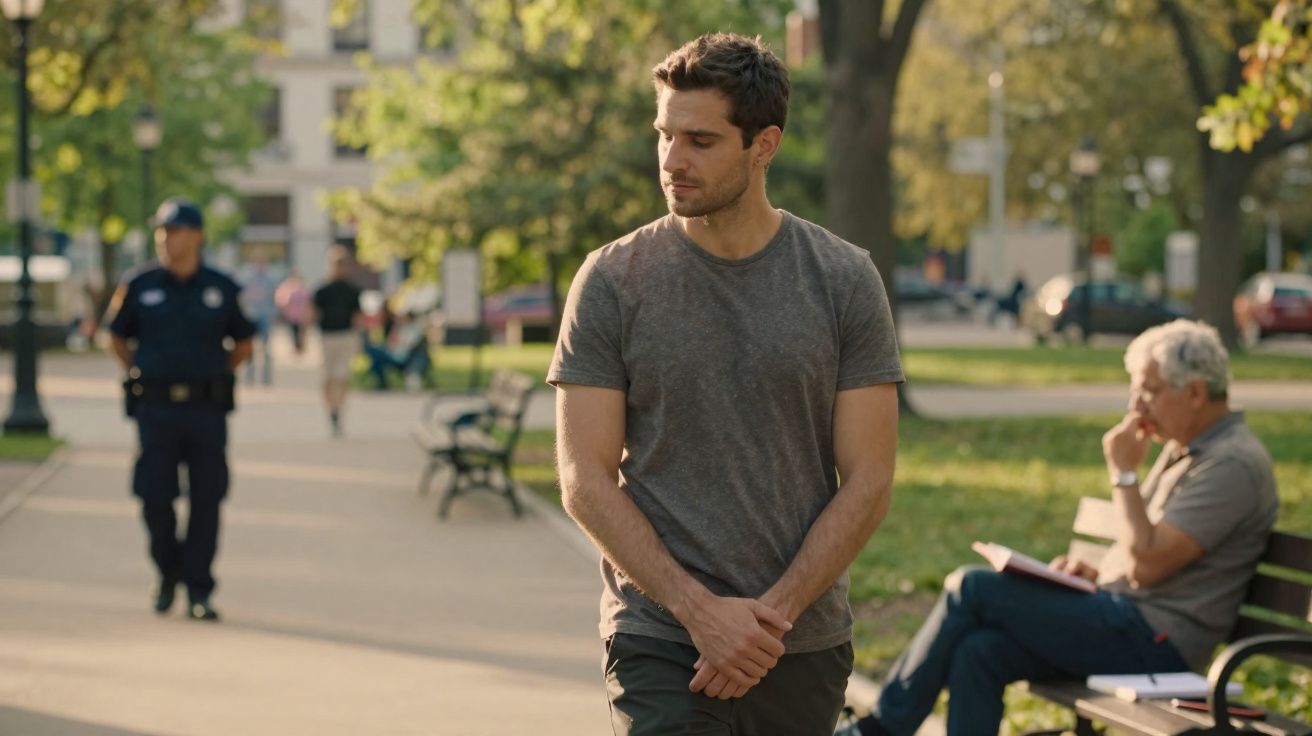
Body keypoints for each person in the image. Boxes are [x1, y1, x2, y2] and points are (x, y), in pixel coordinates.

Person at [550, 33, 903, 736]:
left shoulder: (843, 280)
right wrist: (701, 613)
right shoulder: (612, 281)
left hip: (798, 642)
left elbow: (869, 480)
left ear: (763, 145)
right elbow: (584, 478)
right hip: (661, 639)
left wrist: (768, 619)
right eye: (664, 134)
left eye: (701, 141)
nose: (672, 160)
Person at [838, 319, 1278, 736]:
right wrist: (1098, 572)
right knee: (981, 652)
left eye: (1149, 391)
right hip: (1128, 621)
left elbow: (1149, 565)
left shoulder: (1231, 464)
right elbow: (1147, 553)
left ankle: (881, 729)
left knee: (971, 588)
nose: (1135, 406)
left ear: (1196, 393)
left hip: (1159, 644)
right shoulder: (1191, 448)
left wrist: (1123, 473)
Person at [105, 198, 255, 622]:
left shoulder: (221, 287)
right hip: (155, 409)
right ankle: (167, 572)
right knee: (155, 497)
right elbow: (115, 336)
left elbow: (243, 343)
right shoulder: (139, 284)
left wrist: (214, 373)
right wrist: (139, 369)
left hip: (206, 410)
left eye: (176, 230)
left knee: (207, 498)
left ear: (197, 235)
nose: (167, 238)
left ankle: (199, 588)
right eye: (163, 231)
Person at [313, 246, 362, 436]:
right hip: (327, 336)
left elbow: (357, 316)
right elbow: (313, 313)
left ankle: (338, 410)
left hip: (346, 335)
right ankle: (331, 409)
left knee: (342, 377)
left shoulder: (352, 290)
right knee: (327, 378)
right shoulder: (322, 290)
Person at [363, 310, 432, 390]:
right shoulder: (396, 328)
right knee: (374, 353)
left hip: (408, 357)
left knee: (419, 356)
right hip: (393, 356)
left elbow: (410, 345)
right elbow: (389, 345)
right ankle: (381, 382)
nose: (398, 319)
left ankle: (413, 377)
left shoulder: (415, 329)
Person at [238, 252, 278, 385]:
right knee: (249, 346)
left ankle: (266, 377)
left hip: (265, 315)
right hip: (250, 315)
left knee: (266, 348)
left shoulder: (270, 278)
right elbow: (241, 296)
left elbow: (274, 297)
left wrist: (274, 313)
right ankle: (250, 376)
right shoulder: (247, 277)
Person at [275, 269, 312, 355]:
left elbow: (308, 301)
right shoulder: (286, 288)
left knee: (301, 332)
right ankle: (296, 347)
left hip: (302, 315)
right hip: (291, 316)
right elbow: (281, 300)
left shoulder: (303, 289)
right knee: (293, 332)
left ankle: (301, 347)